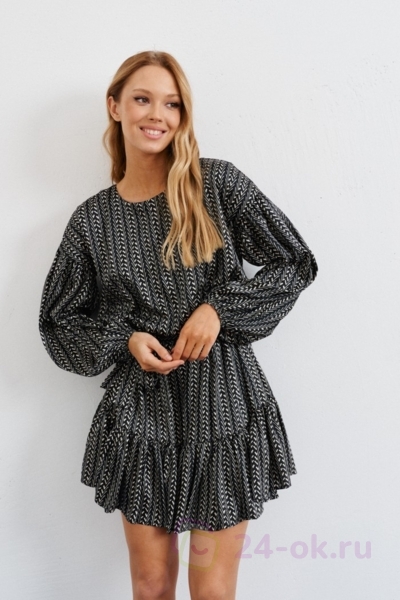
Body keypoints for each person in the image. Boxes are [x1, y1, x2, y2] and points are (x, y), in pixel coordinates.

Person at [38, 50, 318, 600]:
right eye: (142, 99)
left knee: (211, 590)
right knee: (150, 586)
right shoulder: (92, 221)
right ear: (115, 106)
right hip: (142, 414)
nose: (157, 115)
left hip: (222, 404)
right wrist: (125, 339)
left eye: (172, 104)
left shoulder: (217, 185)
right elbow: (58, 322)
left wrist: (219, 309)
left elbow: (295, 262)